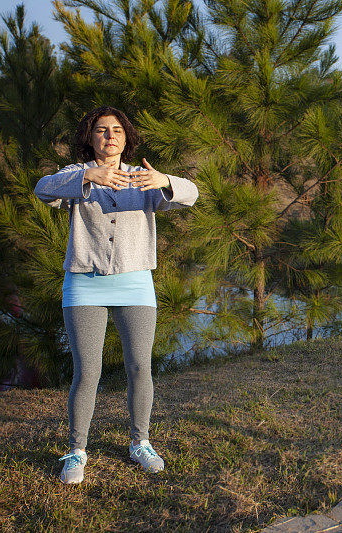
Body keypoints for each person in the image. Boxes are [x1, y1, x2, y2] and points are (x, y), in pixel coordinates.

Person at [34, 106, 199, 484]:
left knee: (140, 366)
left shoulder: (144, 179)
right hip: (83, 283)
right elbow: (42, 189)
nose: (110, 135)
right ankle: (76, 451)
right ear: (89, 138)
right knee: (87, 371)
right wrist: (88, 176)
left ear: (126, 138)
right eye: (101, 130)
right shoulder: (75, 176)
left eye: (117, 130)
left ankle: (140, 441)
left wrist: (164, 180)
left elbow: (192, 194)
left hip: (135, 282)